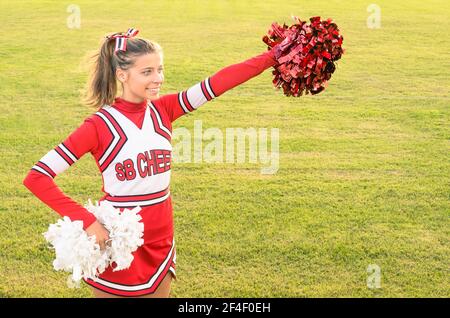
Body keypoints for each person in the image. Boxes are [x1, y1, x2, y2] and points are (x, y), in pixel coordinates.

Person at [22, 28, 278, 298]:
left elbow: (217, 83)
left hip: (161, 239)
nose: (158, 79)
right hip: (119, 243)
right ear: (122, 75)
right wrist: (87, 221)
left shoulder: (164, 110)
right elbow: (37, 176)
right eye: (147, 72)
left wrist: (273, 56)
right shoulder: (99, 125)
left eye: (160, 70)